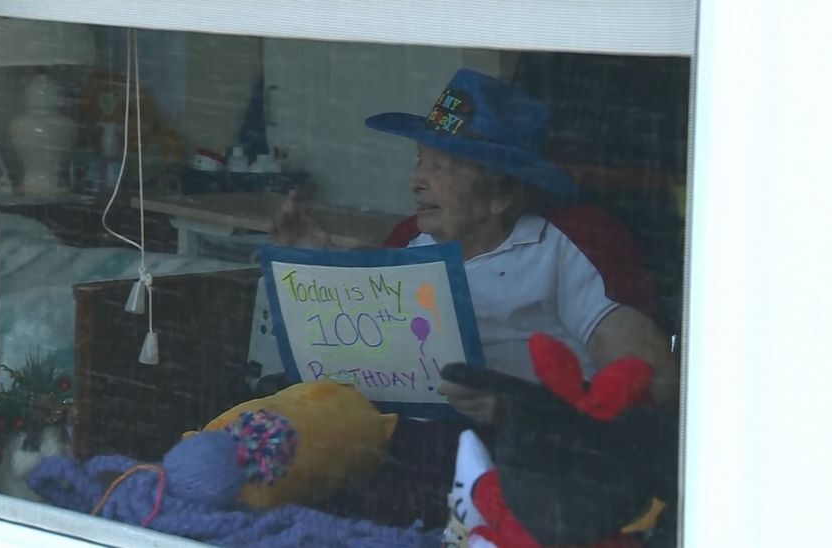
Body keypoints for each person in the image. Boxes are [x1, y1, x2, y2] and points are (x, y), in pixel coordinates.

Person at [271, 68, 678, 526]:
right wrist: (315, 260)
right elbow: (366, 350)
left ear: (501, 191)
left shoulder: (569, 245)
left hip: (525, 479)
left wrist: (522, 411)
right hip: (404, 466)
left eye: (441, 165)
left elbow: (652, 383)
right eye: (419, 158)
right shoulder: (410, 238)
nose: (416, 180)